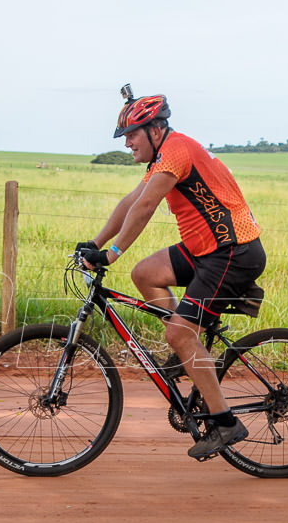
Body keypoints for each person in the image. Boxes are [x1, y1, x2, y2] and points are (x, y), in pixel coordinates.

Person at [77, 86, 265, 460]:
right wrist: (94, 243)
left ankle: (225, 422)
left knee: (179, 332)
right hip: (205, 250)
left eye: (131, 134)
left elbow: (146, 207)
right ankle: (186, 352)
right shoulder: (163, 157)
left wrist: (111, 254)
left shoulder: (176, 150)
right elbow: (130, 202)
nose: (127, 142)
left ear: (155, 129)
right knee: (145, 273)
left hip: (232, 252)